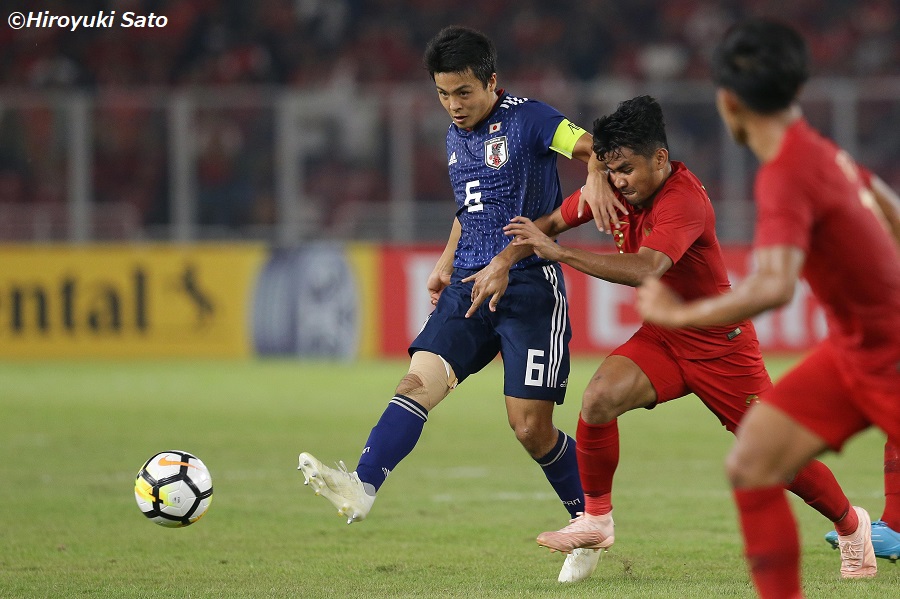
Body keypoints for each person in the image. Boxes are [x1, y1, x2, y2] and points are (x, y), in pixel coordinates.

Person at [473, 94, 865, 581]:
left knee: (776, 458)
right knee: (598, 399)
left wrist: (562, 255)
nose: (618, 181)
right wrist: (506, 260)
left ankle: (852, 526)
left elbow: (647, 268)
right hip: (664, 338)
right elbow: (549, 223)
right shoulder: (616, 187)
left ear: (660, 158)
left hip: (720, 346)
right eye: (610, 170)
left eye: (627, 169)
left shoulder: (685, 199)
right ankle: (596, 519)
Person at [296, 25, 610, 583]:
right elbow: (470, 211)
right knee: (415, 383)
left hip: (531, 288)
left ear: (491, 81)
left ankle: (586, 522)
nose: (453, 105)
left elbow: (593, 148)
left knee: (530, 428)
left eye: (463, 92)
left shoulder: (531, 118)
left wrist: (597, 183)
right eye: (443, 93)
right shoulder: (453, 137)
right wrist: (446, 261)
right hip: (468, 286)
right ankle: (362, 486)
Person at [635, 18, 900, 598]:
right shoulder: (826, 152)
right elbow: (888, 207)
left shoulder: (784, 174)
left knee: (753, 464)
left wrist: (677, 316)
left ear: (728, 102)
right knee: (753, 461)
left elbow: (776, 286)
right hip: (858, 352)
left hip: (888, 357)